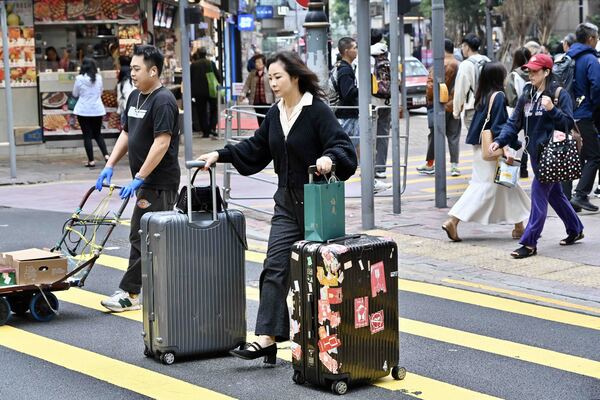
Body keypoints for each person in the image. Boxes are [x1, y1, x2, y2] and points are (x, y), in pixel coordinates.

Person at [196, 51, 357, 363]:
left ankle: (330, 338)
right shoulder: (275, 113)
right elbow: (255, 147)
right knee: (275, 267)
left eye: (278, 77)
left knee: (322, 274)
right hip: (285, 202)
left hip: (316, 202)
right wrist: (221, 154)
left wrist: (329, 159)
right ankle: (267, 338)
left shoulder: (316, 111)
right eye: (269, 78)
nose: (272, 83)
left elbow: (342, 145)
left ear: (294, 77)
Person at [96, 45, 181, 311]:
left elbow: (162, 142)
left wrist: (140, 177)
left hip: (159, 183)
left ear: (153, 71)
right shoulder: (135, 97)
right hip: (145, 182)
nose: (131, 73)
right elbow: (126, 134)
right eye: (131, 68)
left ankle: (130, 293)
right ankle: (157, 288)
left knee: (143, 235)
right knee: (148, 237)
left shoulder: (164, 100)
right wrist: (109, 165)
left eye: (136, 68)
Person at [490, 53, 584, 259]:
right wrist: (500, 140)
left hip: (553, 155)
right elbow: (514, 123)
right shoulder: (527, 95)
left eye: (535, 71)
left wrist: (552, 109)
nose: (530, 74)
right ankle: (575, 228)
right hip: (535, 154)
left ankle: (529, 242)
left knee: (539, 195)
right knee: (555, 195)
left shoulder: (559, 94)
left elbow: (568, 124)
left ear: (547, 72)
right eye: (529, 71)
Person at [442, 62, 529, 242]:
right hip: (493, 149)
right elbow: (499, 125)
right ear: (498, 77)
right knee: (485, 187)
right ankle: (453, 220)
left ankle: (519, 226)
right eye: (503, 75)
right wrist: (507, 146)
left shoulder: (482, 95)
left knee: (507, 185)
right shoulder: (498, 96)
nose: (506, 78)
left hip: (483, 147)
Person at [562, 22, 600, 212]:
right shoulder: (590, 60)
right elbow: (597, 87)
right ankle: (581, 195)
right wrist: (595, 109)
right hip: (584, 114)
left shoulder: (567, 58)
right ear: (591, 39)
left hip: (566, 114)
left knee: (575, 155)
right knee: (594, 155)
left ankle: (567, 198)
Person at [418, 39, 461, 176]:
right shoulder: (459, 64)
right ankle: (454, 166)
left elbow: (430, 87)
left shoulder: (439, 64)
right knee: (454, 136)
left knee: (435, 135)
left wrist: (429, 100)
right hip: (454, 104)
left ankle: (430, 164)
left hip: (439, 105)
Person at [72, 58, 109, 168]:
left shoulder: (79, 79)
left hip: (83, 110)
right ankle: (106, 155)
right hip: (97, 109)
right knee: (98, 134)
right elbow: (101, 92)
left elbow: (75, 93)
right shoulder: (99, 78)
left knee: (87, 136)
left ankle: (91, 161)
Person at [453, 33, 491, 132]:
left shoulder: (465, 65)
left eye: (462, 46)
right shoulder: (487, 60)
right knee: (489, 139)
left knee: (477, 143)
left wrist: (456, 111)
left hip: (473, 108)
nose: (462, 49)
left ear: (467, 46)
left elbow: (460, 90)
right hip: (490, 106)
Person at [505, 47, 532, 178]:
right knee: (528, 140)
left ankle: (515, 168)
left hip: (517, 113)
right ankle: (524, 168)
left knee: (516, 141)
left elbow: (511, 100)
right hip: (533, 112)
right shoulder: (535, 73)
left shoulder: (513, 76)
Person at [371, 29, 393, 185]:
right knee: (383, 135)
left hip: (372, 101)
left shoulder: (366, 57)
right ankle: (381, 168)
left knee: (369, 135)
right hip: (387, 101)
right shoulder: (389, 55)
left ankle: (370, 168)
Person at [190, 47, 221, 138]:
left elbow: (190, 79)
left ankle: (205, 131)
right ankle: (212, 127)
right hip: (211, 90)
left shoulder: (194, 65)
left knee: (201, 111)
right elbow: (217, 76)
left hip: (199, 92)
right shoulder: (211, 63)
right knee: (214, 109)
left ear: (198, 54)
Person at [334, 37, 359, 149]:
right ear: (346, 51)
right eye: (355, 48)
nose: (357, 50)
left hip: (348, 114)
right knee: (347, 147)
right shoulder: (345, 70)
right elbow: (347, 93)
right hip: (347, 115)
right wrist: (362, 89)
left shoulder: (345, 67)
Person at [241, 54, 275, 126]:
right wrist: (243, 94)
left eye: (259, 62)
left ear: (263, 64)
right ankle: (263, 134)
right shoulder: (252, 74)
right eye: (256, 62)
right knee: (259, 118)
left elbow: (274, 86)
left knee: (265, 117)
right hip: (256, 100)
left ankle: (265, 134)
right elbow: (247, 85)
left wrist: (278, 99)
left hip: (267, 100)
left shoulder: (269, 73)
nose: (257, 64)